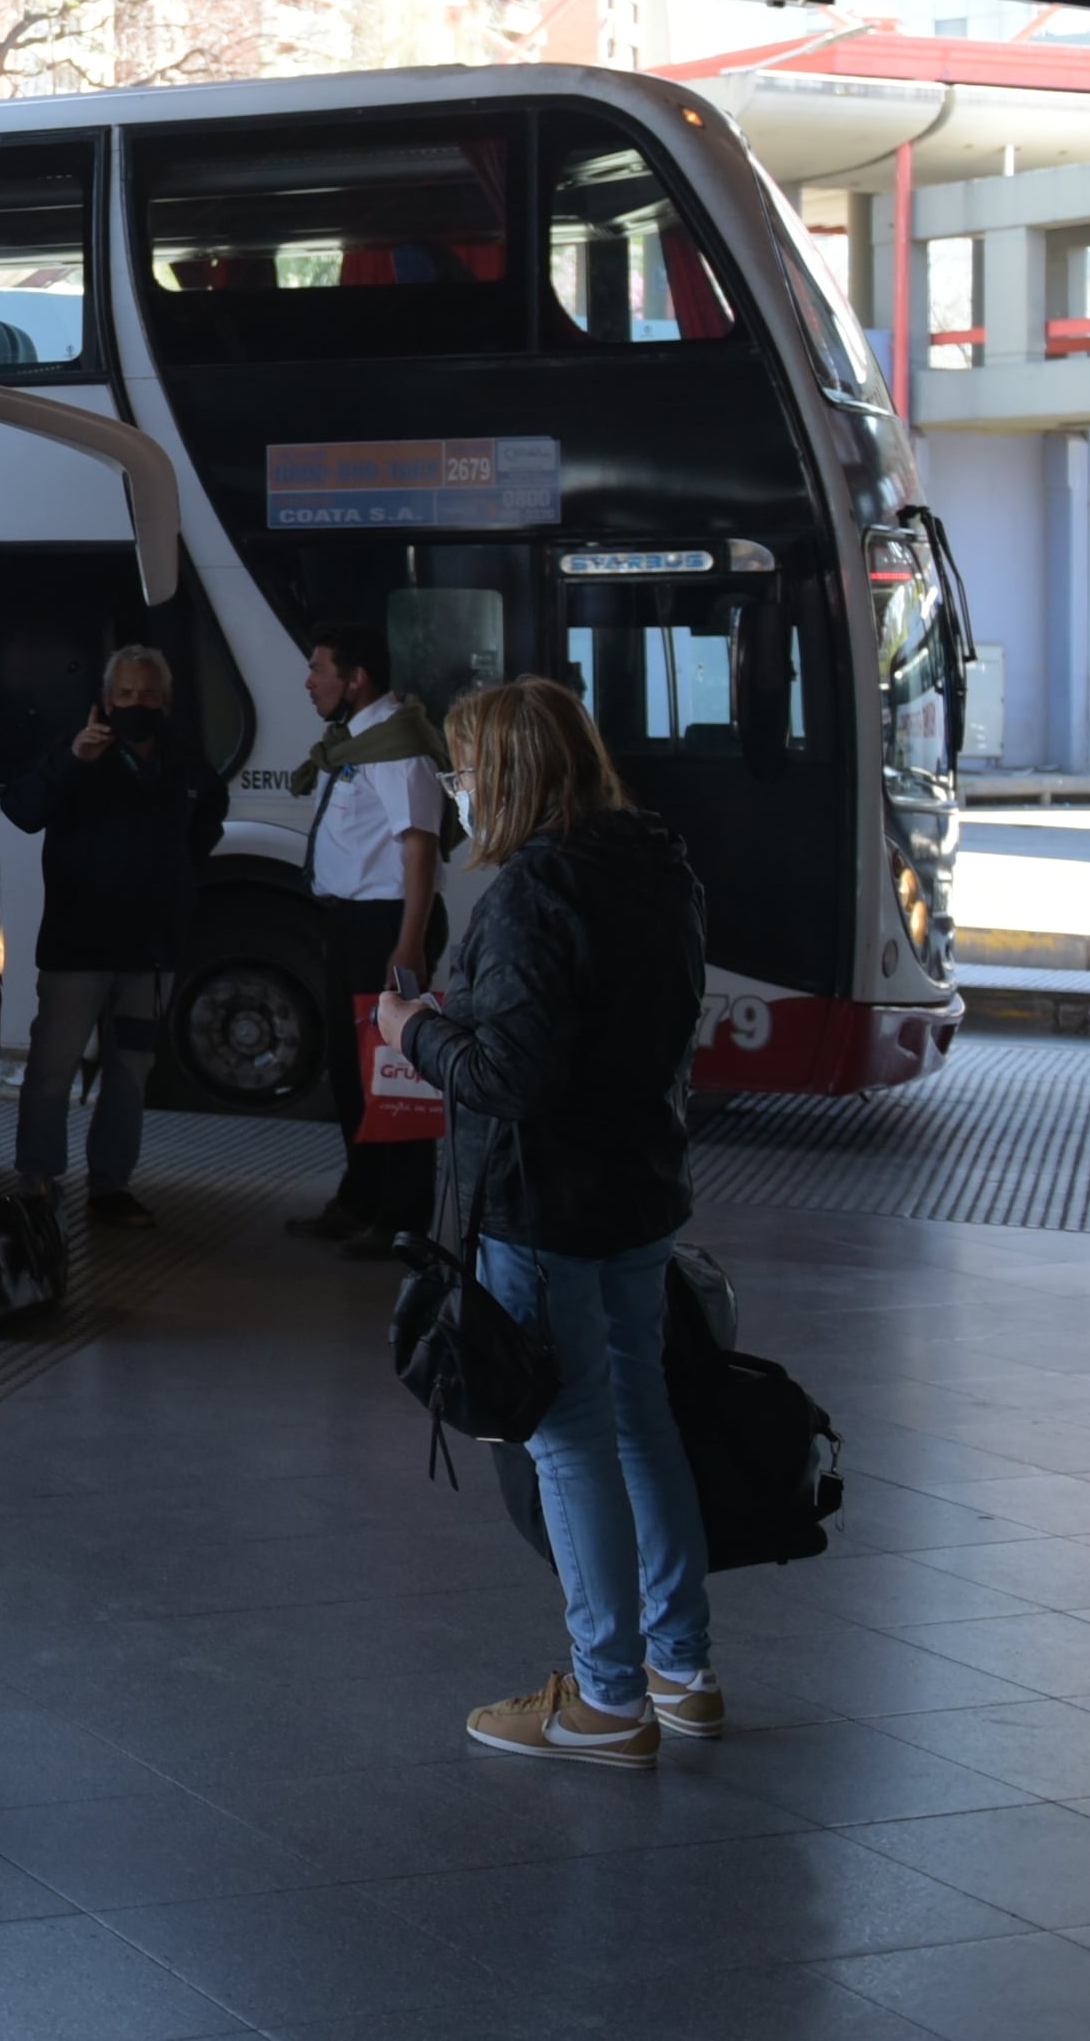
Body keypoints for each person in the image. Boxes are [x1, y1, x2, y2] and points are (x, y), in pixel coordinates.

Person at [378, 676, 715, 1769]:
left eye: (467, 770)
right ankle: (680, 1669)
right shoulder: (654, 866)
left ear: (509, 776)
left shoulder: (531, 894)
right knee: (639, 1418)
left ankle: (605, 1699)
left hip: (544, 1198)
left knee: (566, 1436)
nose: (457, 790)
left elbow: (509, 1077)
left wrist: (410, 1030)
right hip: (635, 1185)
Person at [11, 643, 226, 1234]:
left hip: (149, 953)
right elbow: (22, 810)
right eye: (126, 695)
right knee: (51, 1068)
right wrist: (72, 762)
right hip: (76, 950)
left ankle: (111, 1186)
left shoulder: (185, 766)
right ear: (106, 701)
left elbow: (208, 822)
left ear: (167, 701)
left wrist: (175, 886)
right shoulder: (76, 753)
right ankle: (37, 1179)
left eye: (148, 696)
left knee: (131, 1071)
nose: (137, 705)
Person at [285, 624, 448, 1255]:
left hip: (387, 926)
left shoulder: (398, 747)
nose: (309, 681)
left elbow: (420, 846)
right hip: (351, 922)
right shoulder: (354, 742)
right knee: (353, 1073)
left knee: (395, 1072)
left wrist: (408, 947)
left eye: (319, 668)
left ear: (357, 679)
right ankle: (361, 1199)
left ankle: (402, 1220)